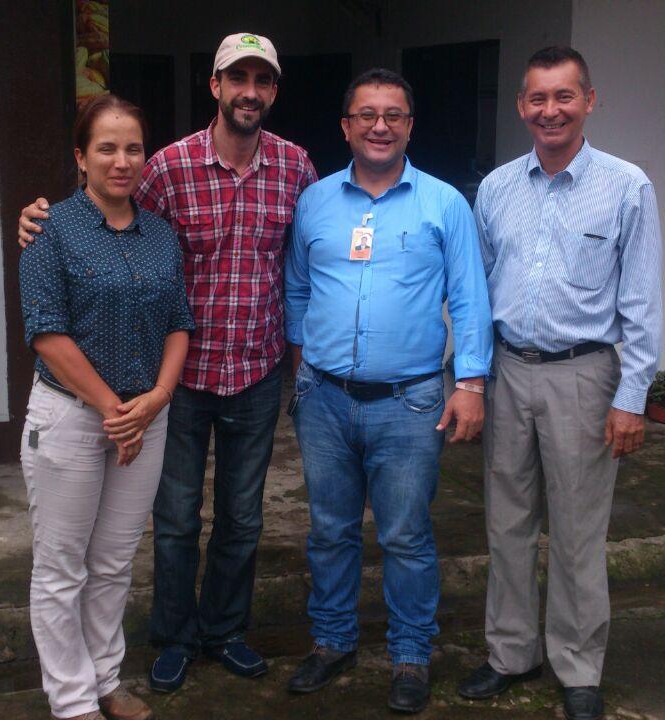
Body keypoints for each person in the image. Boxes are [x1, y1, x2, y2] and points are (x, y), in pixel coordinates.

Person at [18, 33, 317, 694]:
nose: (249, 91)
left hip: (257, 372)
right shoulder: (167, 168)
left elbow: (308, 262)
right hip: (175, 383)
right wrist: (40, 220)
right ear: (215, 86)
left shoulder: (298, 168)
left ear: (272, 91)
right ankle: (174, 637)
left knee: (242, 519)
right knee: (176, 519)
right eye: (236, 78)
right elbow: (108, 218)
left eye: (261, 80)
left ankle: (226, 631)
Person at [456, 47, 662, 720]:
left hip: (584, 374)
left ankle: (578, 667)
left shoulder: (627, 186)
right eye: (538, 99)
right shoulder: (496, 189)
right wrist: (473, 379)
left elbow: (642, 301)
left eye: (564, 97)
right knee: (507, 523)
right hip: (510, 370)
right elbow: (474, 293)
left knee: (578, 531)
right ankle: (511, 654)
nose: (551, 110)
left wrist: (632, 396)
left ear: (589, 101)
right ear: (522, 108)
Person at [283, 68, 493, 715]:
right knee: (330, 531)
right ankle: (333, 642)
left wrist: (472, 382)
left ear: (409, 125)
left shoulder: (444, 205)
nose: (380, 125)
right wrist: (302, 369)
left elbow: (471, 297)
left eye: (394, 115)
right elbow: (296, 289)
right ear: (345, 126)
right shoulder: (314, 202)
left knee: (405, 536)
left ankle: (409, 655)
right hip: (324, 398)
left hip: (410, 402)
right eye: (367, 114)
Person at [19, 93, 194, 720]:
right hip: (70, 418)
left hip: (146, 416)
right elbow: (46, 332)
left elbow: (179, 322)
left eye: (133, 148)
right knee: (62, 567)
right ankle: (71, 703)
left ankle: (105, 680)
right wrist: (114, 409)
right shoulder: (49, 230)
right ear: (80, 157)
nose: (122, 161)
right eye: (107, 148)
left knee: (115, 561)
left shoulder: (160, 234)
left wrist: (156, 399)